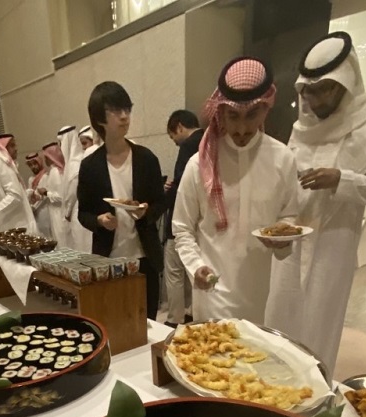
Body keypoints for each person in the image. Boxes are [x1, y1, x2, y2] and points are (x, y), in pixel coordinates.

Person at [265, 31, 366, 372]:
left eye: (321, 90)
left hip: (333, 243)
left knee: (318, 325)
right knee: (279, 323)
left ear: (344, 83)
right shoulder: (304, 125)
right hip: (291, 242)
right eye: (307, 92)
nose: (312, 100)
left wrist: (341, 179)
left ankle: (311, 396)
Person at [173, 57, 299, 324]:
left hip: (260, 293)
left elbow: (289, 216)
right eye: (233, 116)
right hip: (212, 291)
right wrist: (195, 267)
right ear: (221, 112)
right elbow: (182, 227)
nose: (242, 128)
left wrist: (284, 237)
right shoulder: (199, 164)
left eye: (252, 114)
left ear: (266, 108)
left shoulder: (283, 159)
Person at [78, 81, 166, 315]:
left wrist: (147, 211)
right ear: (99, 119)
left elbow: (160, 202)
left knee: (149, 323)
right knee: (115, 320)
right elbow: (83, 213)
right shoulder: (90, 166)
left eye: (127, 109)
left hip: (145, 257)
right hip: (109, 259)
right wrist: (100, 220)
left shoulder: (146, 159)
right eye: (116, 111)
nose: (125, 116)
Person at [163, 109, 203, 325]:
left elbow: (180, 187)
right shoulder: (211, 140)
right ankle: (191, 312)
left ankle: (174, 319)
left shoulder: (188, 145)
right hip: (202, 221)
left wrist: (162, 199)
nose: (175, 142)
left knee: (175, 272)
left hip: (181, 220)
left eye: (173, 137)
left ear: (178, 126)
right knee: (193, 269)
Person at [58, 124, 89, 250]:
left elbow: (73, 193)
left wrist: (68, 211)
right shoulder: (78, 160)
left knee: (82, 245)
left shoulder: (75, 163)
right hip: (80, 210)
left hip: (77, 210)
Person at [42, 140, 71, 246]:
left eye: (46, 157)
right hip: (57, 212)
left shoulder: (55, 172)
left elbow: (60, 197)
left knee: (62, 242)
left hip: (58, 213)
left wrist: (46, 193)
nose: (45, 160)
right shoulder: (58, 170)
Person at [25, 150, 52, 237]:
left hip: (44, 210)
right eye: (31, 165)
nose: (33, 167)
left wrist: (34, 207)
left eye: (35, 164)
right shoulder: (30, 179)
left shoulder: (46, 176)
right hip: (34, 211)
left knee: (47, 234)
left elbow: (44, 197)